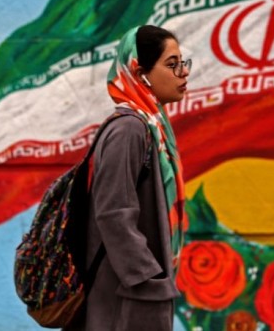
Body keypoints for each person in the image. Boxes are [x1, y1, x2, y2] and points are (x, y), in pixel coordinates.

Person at [65, 25, 190, 330]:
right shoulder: (129, 129)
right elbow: (113, 212)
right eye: (171, 64)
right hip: (125, 297)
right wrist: (147, 276)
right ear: (139, 71)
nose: (183, 73)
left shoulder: (152, 127)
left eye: (183, 63)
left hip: (135, 292)